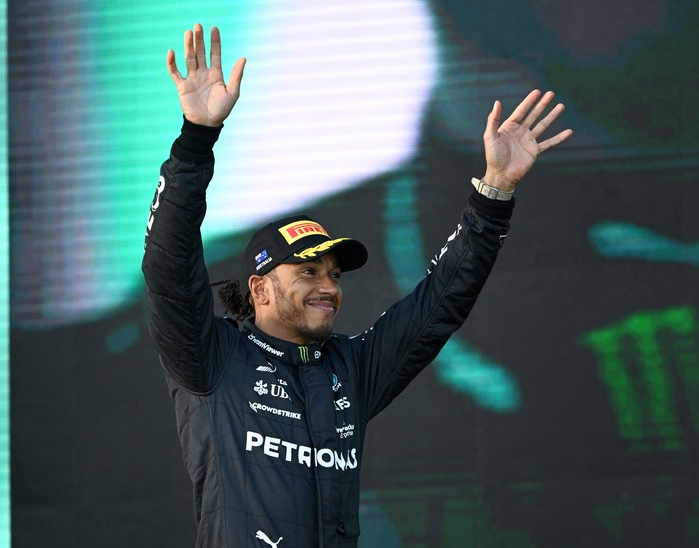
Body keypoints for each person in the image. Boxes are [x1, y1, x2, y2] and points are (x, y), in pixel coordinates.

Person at [142, 23, 572, 548]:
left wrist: (494, 193)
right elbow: (168, 263)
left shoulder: (351, 369)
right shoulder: (211, 359)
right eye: (308, 272)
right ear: (258, 289)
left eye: (334, 274)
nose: (328, 286)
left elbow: (439, 303)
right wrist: (196, 140)